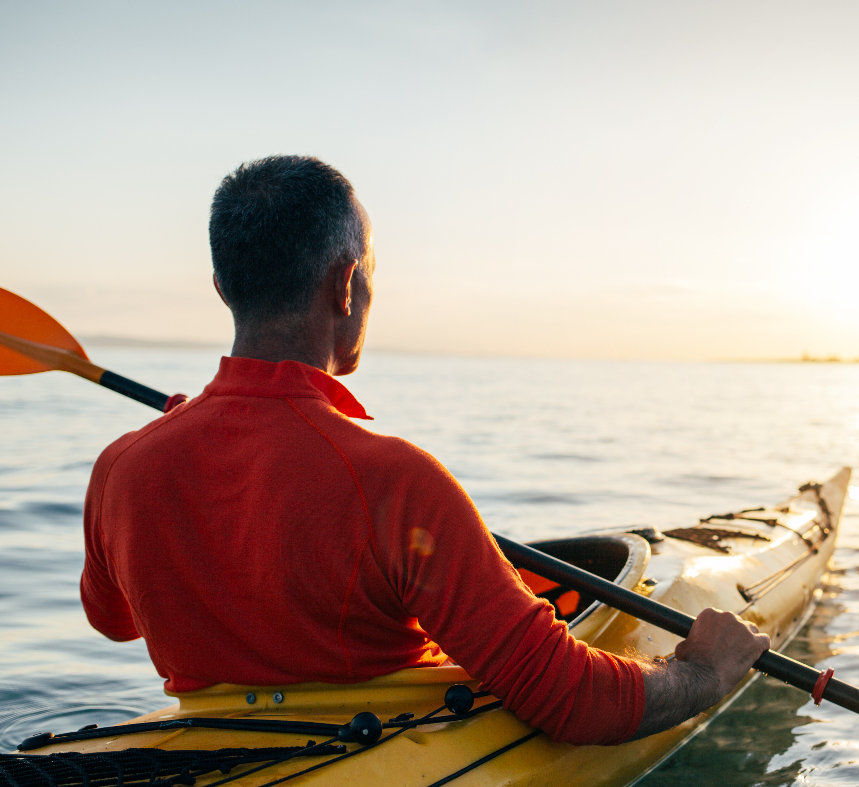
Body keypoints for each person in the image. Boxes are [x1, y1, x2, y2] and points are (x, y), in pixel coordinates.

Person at [80, 155, 769, 746]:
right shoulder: (394, 479)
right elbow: (570, 698)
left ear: (224, 287)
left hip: (208, 755)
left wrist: (191, 440)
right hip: (380, 757)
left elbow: (112, 620)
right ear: (346, 285)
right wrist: (702, 671)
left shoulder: (122, 468)